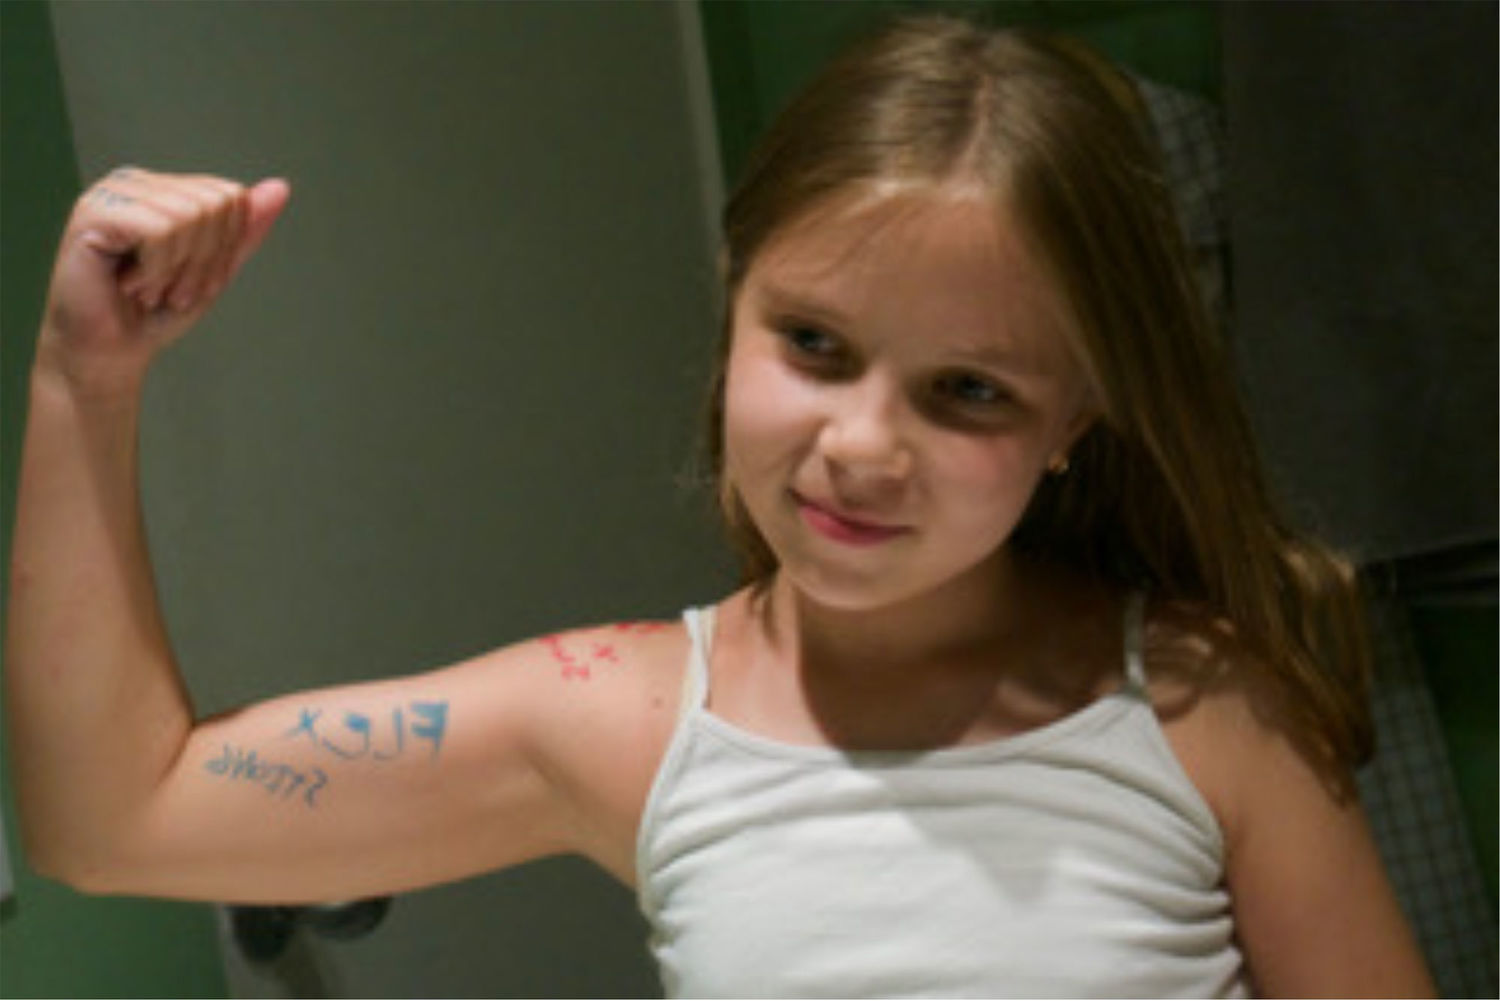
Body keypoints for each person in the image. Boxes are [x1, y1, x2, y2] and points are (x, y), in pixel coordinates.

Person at [7, 16, 1434, 998]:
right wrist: (85, 383)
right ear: (732, 306)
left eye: (969, 392)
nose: (864, 445)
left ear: (1078, 417)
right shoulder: (625, 722)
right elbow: (115, 817)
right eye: (812, 344)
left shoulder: (1202, 710)